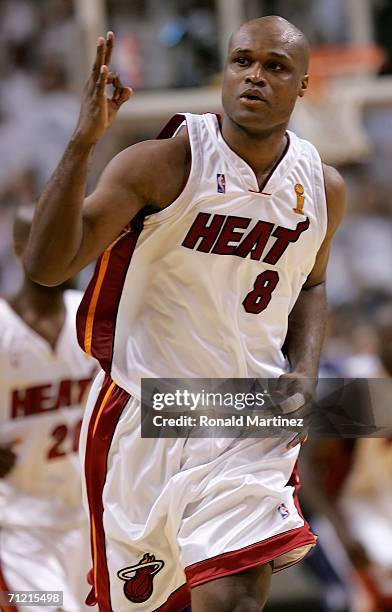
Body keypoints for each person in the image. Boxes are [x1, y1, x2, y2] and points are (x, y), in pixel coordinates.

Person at [25, 15, 346, 612]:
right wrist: (84, 141)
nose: (254, 76)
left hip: (249, 412)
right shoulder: (163, 162)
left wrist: (304, 371)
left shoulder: (323, 188)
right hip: (148, 411)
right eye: (242, 61)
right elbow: (47, 266)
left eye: (275, 67)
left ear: (302, 87)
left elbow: (312, 284)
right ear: (223, 72)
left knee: (237, 599)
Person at [0, 205, 97, 611]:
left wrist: (280, 408)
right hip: (20, 529)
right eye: (51, 239)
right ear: (21, 251)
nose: (65, 250)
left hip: (94, 524)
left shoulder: (94, 315)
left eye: (72, 238)